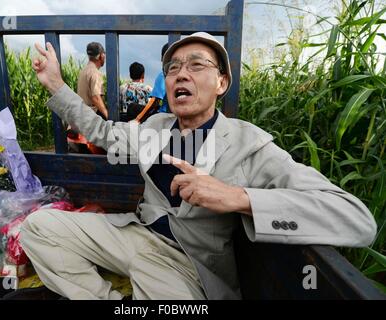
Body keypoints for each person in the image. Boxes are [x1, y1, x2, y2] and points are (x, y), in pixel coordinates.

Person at [22, 32, 377, 300]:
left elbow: (356, 220)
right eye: (173, 68)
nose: (181, 75)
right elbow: (101, 131)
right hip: (135, 235)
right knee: (39, 227)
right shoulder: (153, 129)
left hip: (186, 263)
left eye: (196, 65)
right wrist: (54, 83)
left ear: (221, 82)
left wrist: (238, 197)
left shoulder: (249, 144)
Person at [68, 41, 108, 153]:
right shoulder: (95, 73)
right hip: (90, 117)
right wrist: (107, 114)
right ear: (101, 55)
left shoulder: (83, 71)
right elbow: (96, 98)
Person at [150, 42, 170, 113]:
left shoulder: (162, 76)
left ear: (162, 59)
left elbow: (155, 102)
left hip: (164, 113)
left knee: (132, 107)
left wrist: (137, 120)